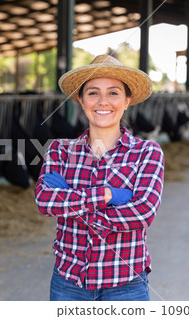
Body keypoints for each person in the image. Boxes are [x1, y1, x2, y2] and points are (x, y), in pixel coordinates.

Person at [34, 54, 164, 301]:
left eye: (114, 93)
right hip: (69, 283)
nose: (103, 101)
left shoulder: (147, 152)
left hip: (126, 286)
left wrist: (71, 199)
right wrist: (110, 195)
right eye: (93, 93)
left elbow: (143, 213)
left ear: (127, 101)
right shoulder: (60, 150)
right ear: (81, 100)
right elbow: (45, 202)